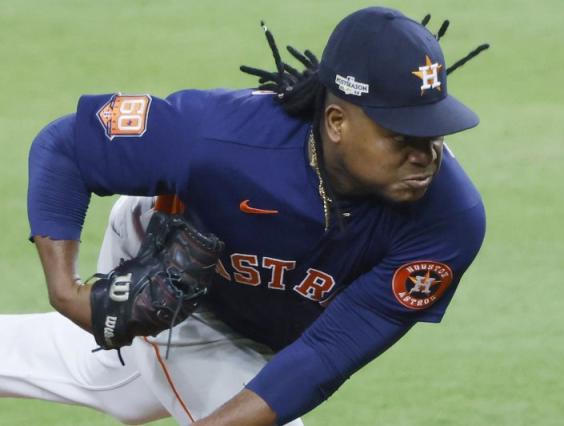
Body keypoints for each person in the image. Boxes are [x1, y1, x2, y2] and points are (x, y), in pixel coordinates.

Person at [4, 6, 488, 425]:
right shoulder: (218, 139)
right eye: (403, 136)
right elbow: (66, 146)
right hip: (169, 270)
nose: (426, 155)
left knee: (111, 382)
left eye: (435, 133)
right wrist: (66, 292)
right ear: (337, 121)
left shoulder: (448, 222)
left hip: (254, 324)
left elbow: (324, 355)